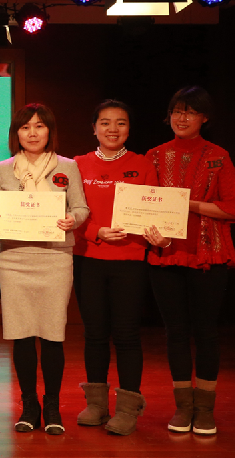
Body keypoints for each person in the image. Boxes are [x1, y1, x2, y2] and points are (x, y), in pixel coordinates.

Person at [0, 103, 88, 436]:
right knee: (22, 334)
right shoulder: (3, 169)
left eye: (39, 126)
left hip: (55, 257)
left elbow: (81, 207)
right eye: (25, 127)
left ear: (49, 131)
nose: (32, 133)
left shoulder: (67, 166)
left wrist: (73, 219)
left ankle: (53, 406)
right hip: (14, 258)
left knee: (53, 333)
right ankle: (29, 405)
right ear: (16, 133)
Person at [72, 100, 167, 436]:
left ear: (129, 128)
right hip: (88, 258)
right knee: (95, 334)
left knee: (126, 335)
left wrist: (160, 233)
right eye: (105, 122)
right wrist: (95, 232)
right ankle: (96, 404)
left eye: (121, 123)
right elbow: (68, 212)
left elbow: (156, 211)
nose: (113, 129)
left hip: (130, 259)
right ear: (94, 128)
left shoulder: (143, 165)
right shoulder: (77, 165)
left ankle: (127, 409)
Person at [146, 86, 235, 436]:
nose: (182, 118)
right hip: (165, 253)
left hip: (208, 253)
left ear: (204, 118)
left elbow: (231, 208)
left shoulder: (219, 157)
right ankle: (183, 407)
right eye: (176, 111)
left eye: (190, 112)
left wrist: (185, 203)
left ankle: (205, 409)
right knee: (176, 333)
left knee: (207, 332)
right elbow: (145, 204)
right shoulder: (154, 156)